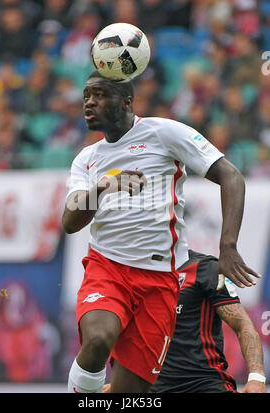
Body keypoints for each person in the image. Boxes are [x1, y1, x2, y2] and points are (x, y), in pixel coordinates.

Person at [62, 71, 261, 393]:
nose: (89, 102)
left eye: (99, 94)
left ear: (126, 101)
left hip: (158, 279)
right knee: (98, 339)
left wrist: (228, 246)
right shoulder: (86, 159)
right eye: (87, 94)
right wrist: (102, 188)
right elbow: (70, 221)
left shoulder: (163, 132)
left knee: (131, 394)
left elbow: (231, 176)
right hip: (108, 268)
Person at [150, 250, 267, 393]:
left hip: (205, 384)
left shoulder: (209, 268)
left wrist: (256, 378)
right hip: (154, 387)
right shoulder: (138, 272)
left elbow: (242, 325)